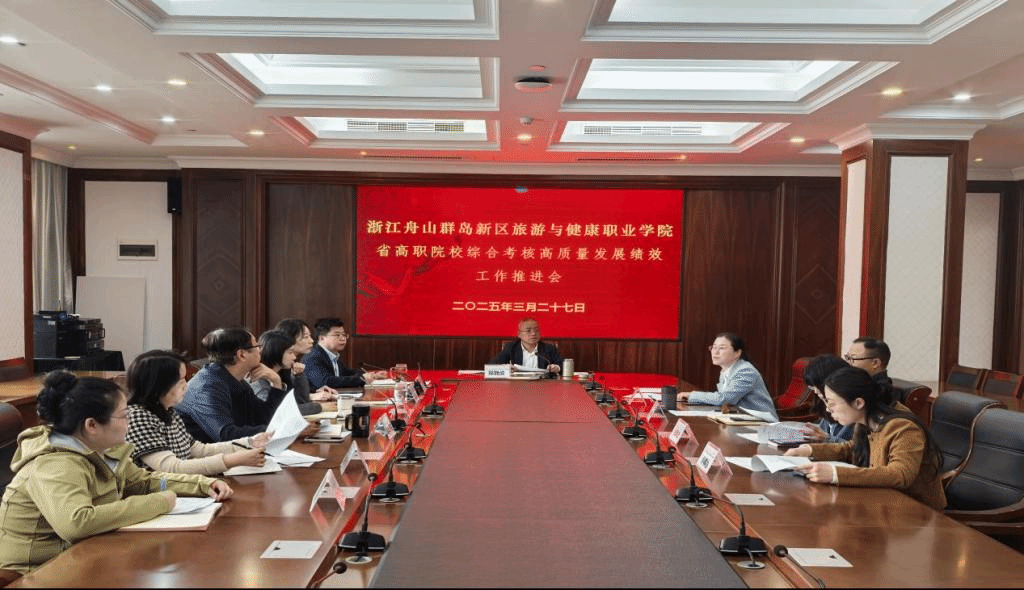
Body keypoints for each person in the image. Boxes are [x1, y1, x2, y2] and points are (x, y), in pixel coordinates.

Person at [0, 371, 232, 574]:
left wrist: (201, 485)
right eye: (124, 416)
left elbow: (144, 483)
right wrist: (159, 503)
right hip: (34, 571)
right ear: (92, 425)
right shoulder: (55, 463)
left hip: (83, 555)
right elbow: (77, 523)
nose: (130, 422)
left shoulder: (103, 449)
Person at [785, 366, 945, 510]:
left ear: (858, 403)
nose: (828, 409)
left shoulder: (903, 427)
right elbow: (851, 448)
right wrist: (808, 450)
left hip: (917, 514)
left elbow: (900, 474)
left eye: (832, 403)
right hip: (883, 505)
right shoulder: (867, 420)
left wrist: (834, 474)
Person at [125, 350, 269, 474]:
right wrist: (233, 460)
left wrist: (250, 442)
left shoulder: (168, 412)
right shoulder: (137, 416)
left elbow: (199, 450)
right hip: (159, 492)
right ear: (158, 385)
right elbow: (172, 468)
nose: (186, 385)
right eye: (180, 380)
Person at [176, 327, 290, 443]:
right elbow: (226, 435)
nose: (260, 350)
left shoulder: (234, 379)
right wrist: (278, 429)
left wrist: (276, 382)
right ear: (242, 355)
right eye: (257, 346)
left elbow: (263, 418)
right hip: (202, 452)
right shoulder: (208, 386)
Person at [677, 332, 779, 421]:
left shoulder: (745, 371)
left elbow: (724, 398)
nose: (715, 352)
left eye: (721, 348)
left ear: (737, 353)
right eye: (714, 347)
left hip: (762, 422)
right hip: (742, 418)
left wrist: (692, 395)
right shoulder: (726, 370)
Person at [251, 330, 332, 416]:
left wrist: (299, 376)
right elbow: (280, 413)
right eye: (290, 352)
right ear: (276, 352)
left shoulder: (282, 373)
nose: (294, 357)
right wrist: (319, 406)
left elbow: (302, 400)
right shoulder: (259, 380)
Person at [303, 318, 387, 390]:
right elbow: (326, 382)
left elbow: (345, 373)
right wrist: (362, 379)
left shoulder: (331, 354)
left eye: (344, 334)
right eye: (337, 335)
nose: (343, 338)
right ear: (321, 338)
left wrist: (370, 374)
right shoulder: (312, 357)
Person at [799, 354, 855, 443]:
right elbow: (823, 432)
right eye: (812, 387)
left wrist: (826, 439)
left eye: (816, 386)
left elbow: (856, 448)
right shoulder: (825, 403)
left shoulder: (851, 407)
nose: (815, 392)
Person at [489, 317, 563, 375]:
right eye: (528, 331)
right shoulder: (511, 348)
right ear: (519, 334)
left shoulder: (549, 348)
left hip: (543, 385)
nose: (533, 333)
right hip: (516, 385)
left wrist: (557, 368)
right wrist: (507, 368)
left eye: (536, 330)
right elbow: (493, 365)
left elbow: (563, 366)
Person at [844, 336, 895, 403]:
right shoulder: (859, 383)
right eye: (848, 358)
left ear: (875, 363)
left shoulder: (879, 392)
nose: (848, 363)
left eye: (853, 359)